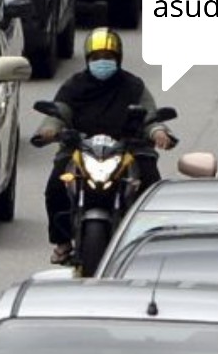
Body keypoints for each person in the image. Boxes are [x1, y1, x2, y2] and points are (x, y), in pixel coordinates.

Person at [34, 28, 175, 266]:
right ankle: (62, 243)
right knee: (56, 186)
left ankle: (149, 240)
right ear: (88, 60)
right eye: (97, 58)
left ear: (118, 59)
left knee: (151, 183)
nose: (102, 63)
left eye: (108, 58)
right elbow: (59, 112)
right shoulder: (74, 86)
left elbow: (150, 116)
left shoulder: (133, 86)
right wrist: (49, 130)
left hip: (127, 148)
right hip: (81, 148)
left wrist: (159, 133)